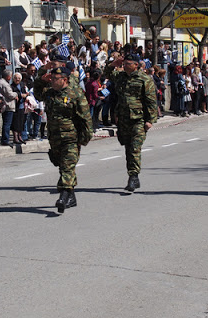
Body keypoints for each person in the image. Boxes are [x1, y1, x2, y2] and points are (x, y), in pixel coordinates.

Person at [34, 66, 92, 213]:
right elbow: (37, 93)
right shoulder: (49, 94)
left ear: (65, 80)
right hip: (54, 137)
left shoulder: (75, 94)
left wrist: (83, 140)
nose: (52, 81)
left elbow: (85, 118)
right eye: (51, 78)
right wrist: (42, 77)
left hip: (71, 138)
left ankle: (64, 196)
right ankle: (71, 197)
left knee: (67, 166)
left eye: (55, 79)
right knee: (62, 166)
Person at [104, 53, 158, 192]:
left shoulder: (144, 79)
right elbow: (107, 74)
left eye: (128, 63)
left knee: (135, 148)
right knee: (128, 148)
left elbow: (151, 100)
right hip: (123, 119)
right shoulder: (120, 77)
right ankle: (133, 175)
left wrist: (150, 120)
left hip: (138, 120)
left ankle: (133, 176)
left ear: (136, 65)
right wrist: (113, 64)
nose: (125, 65)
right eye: (124, 63)